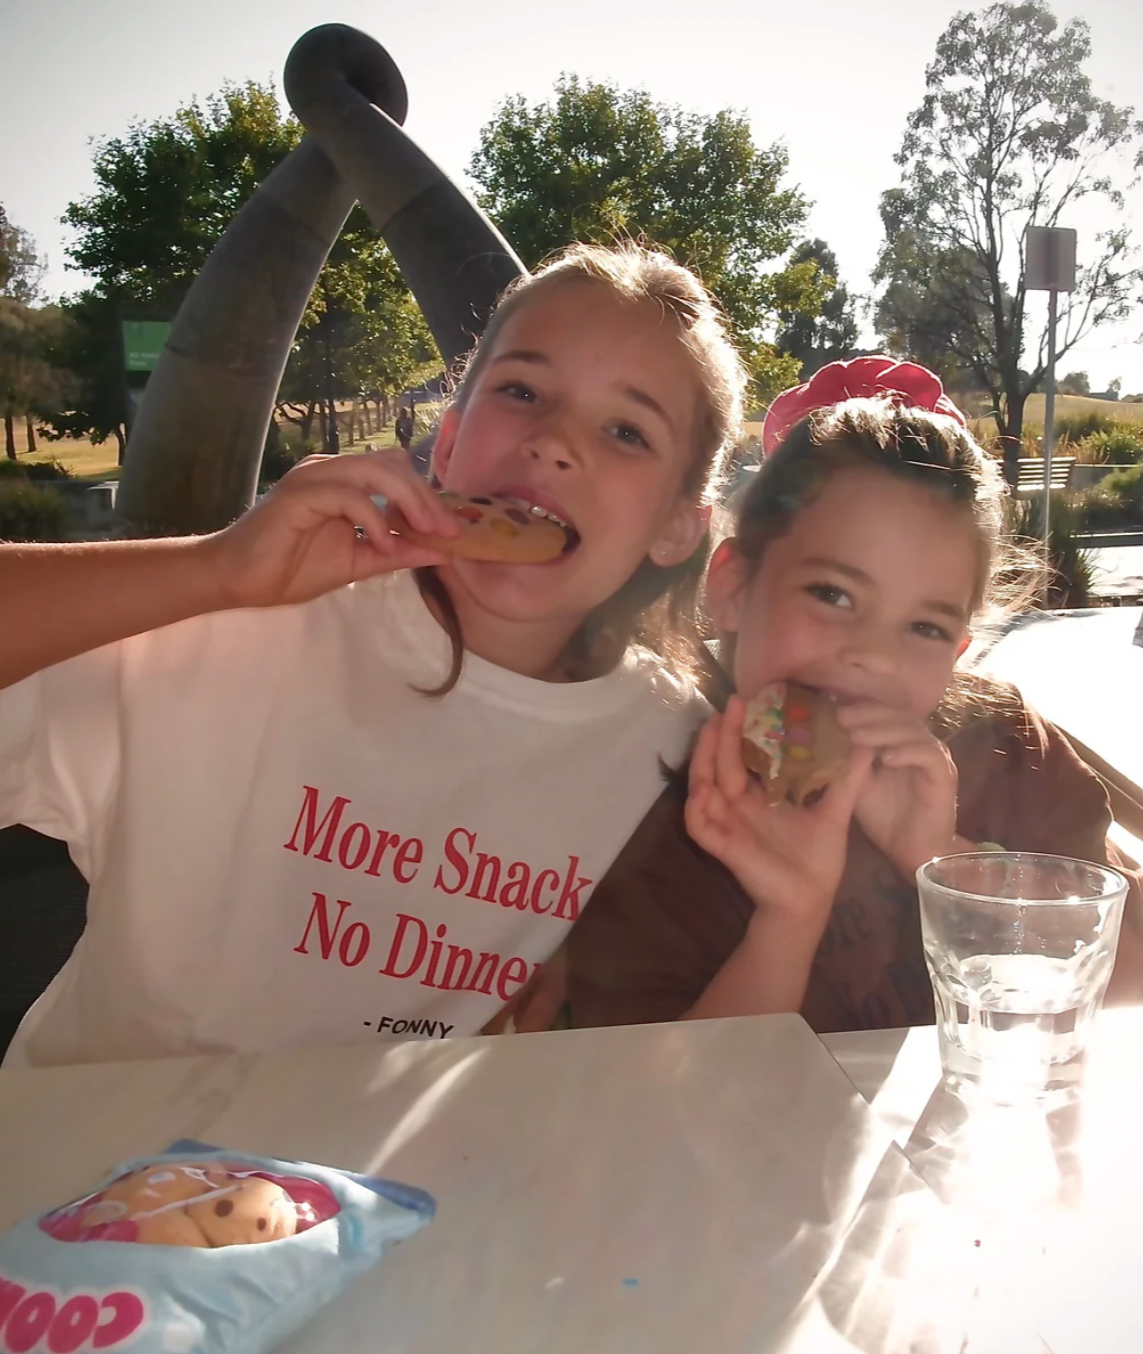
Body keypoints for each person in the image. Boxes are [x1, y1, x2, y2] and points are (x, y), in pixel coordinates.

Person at [0, 241, 746, 1068]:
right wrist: (210, 569)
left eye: (626, 431)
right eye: (522, 391)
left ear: (680, 525)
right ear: (451, 441)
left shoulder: (679, 751)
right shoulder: (240, 629)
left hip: (404, 1192)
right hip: (92, 1175)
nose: (555, 442)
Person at [558, 356, 1143, 1032]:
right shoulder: (651, 795)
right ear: (733, 588)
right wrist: (788, 918)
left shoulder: (1001, 745)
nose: (871, 655)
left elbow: (1126, 976)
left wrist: (939, 861)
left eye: (923, 626)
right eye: (832, 594)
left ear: (957, 651)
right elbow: (655, 1100)